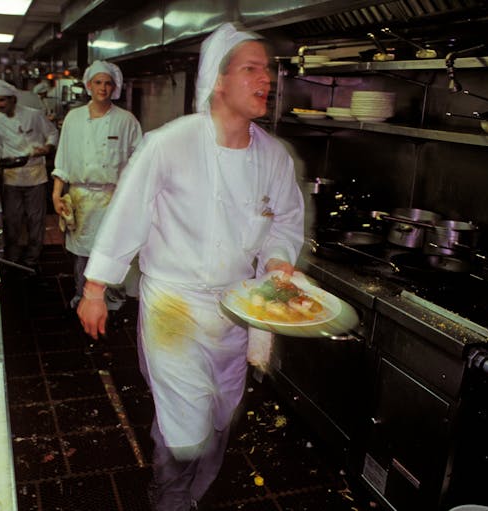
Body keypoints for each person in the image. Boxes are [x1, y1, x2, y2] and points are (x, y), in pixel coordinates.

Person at [76, 23, 306, 511]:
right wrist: (95, 289)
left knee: (221, 412)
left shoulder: (274, 157)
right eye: (251, 68)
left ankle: (196, 493)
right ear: (219, 81)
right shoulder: (170, 144)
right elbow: (126, 216)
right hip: (173, 306)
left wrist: (280, 261)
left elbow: (285, 221)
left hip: (236, 307)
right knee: (182, 420)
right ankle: (170, 498)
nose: (266, 78)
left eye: (268, 69)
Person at [51, 60, 142, 309]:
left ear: (115, 87)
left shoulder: (126, 121)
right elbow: (64, 160)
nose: (103, 88)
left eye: (108, 83)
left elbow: (139, 164)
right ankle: (83, 297)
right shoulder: (74, 118)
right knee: (82, 254)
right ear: (89, 85)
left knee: (113, 251)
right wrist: (57, 194)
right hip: (80, 197)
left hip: (114, 198)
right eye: (98, 82)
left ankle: (112, 300)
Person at [0, 78, 59, 270]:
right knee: (12, 221)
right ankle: (13, 260)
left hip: (35, 175)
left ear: (13, 100)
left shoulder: (34, 116)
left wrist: (47, 147)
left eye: (3, 100)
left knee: (36, 221)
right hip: (11, 176)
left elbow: (52, 133)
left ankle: (32, 260)